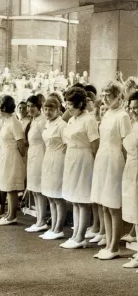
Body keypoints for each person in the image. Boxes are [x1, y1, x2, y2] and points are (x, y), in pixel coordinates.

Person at [91, 81, 132, 260]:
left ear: (119, 97)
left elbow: (126, 145)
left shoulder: (123, 116)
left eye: (109, 95)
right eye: (104, 94)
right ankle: (108, 244)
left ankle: (115, 247)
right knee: (104, 204)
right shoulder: (107, 113)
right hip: (102, 157)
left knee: (113, 205)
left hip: (115, 160)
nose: (106, 98)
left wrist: (126, 167)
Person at [60, 87, 100, 249]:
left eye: (70, 104)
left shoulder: (89, 120)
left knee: (82, 200)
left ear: (80, 104)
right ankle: (76, 235)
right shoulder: (72, 120)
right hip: (72, 158)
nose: (68, 107)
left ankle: (80, 237)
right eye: (67, 104)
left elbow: (95, 146)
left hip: (84, 160)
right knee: (75, 200)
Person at [0, 95, 26, 225]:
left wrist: (20, 158)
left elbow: (21, 143)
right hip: (5, 155)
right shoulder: (7, 121)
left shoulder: (14, 122)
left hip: (12, 156)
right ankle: (8, 214)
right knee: (7, 186)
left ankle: (12, 216)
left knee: (11, 187)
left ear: (3, 107)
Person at [40, 98, 67, 240]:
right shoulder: (47, 124)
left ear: (58, 110)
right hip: (48, 159)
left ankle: (58, 229)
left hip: (58, 159)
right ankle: (53, 227)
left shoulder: (62, 125)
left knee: (58, 197)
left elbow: (67, 144)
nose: (48, 112)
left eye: (51, 109)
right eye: (46, 109)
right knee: (50, 196)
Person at [24, 95, 47, 233]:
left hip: (40, 155)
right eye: (28, 106)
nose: (30, 109)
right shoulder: (32, 121)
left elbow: (45, 141)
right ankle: (39, 219)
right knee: (34, 189)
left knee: (39, 189)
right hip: (32, 155)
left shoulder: (43, 121)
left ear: (39, 107)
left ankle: (42, 220)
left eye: (32, 106)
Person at [121, 91, 138, 269]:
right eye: (132, 108)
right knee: (135, 211)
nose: (134, 111)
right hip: (131, 169)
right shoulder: (134, 125)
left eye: (137, 108)